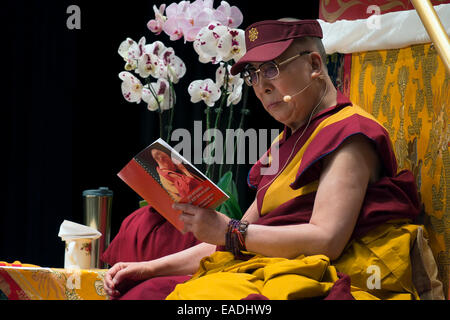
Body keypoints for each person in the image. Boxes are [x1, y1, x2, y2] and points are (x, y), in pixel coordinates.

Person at [103, 19, 422, 300]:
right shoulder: (288, 140)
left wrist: (230, 231)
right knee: (145, 290)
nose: (262, 87)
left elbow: (327, 240)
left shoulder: (349, 133)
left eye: (272, 68)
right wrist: (148, 268)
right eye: (254, 75)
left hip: (323, 275)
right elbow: (231, 237)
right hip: (274, 268)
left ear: (313, 64)